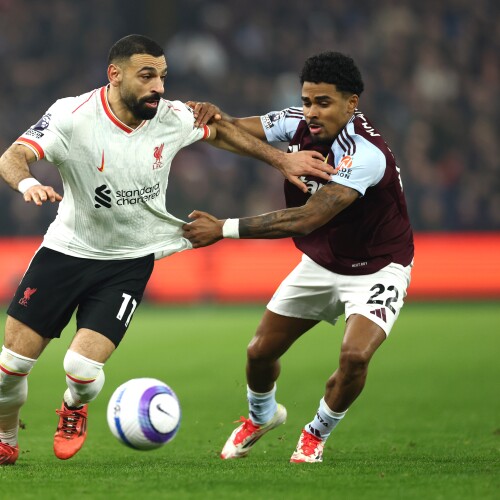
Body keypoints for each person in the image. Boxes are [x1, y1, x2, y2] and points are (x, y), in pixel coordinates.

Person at [0, 35, 335, 466]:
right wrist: (28, 183)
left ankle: (74, 406)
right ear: (115, 75)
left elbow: (223, 133)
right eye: (147, 76)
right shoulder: (72, 115)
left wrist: (282, 160)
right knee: (10, 368)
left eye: (162, 76)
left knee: (82, 372)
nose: (158, 86)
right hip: (66, 253)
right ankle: (6, 437)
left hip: (129, 261)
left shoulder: (170, 116)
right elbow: (12, 156)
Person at [183, 51, 414, 463]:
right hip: (323, 262)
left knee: (355, 356)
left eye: (323, 102)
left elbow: (308, 218)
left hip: (379, 267)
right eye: (307, 101)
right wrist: (212, 117)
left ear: (351, 103)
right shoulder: (295, 122)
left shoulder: (365, 153)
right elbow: (231, 130)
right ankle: (262, 417)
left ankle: (315, 432)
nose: (311, 112)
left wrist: (223, 228)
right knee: (259, 353)